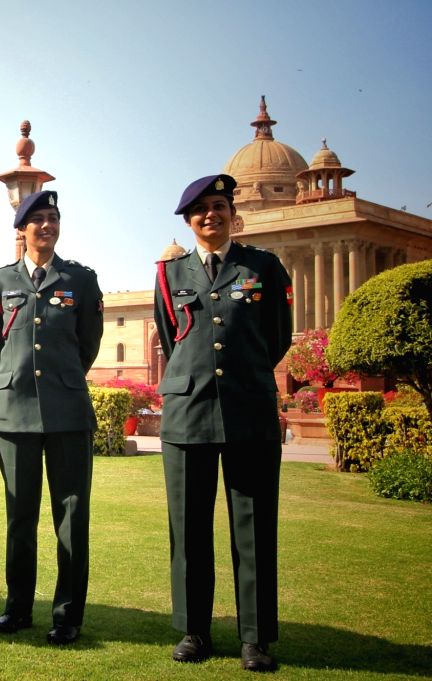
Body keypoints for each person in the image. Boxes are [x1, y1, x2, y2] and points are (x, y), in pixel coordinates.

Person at [154, 174, 292, 672]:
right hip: (189, 413)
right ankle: (194, 631)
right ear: (188, 222)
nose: (210, 215)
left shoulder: (263, 267)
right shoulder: (170, 274)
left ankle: (254, 637)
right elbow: (175, 342)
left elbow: (277, 336)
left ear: (232, 214)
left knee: (253, 529)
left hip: (248, 409)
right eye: (200, 211)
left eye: (218, 206)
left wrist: (244, 376)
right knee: (189, 528)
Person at [0, 190, 103, 645]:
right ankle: (17, 609)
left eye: (53, 218)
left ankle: (68, 614)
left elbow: (87, 344)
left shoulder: (81, 280)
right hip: (15, 415)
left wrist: (62, 381)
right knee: (20, 517)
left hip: (68, 411)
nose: (46, 226)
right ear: (22, 230)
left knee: (71, 516)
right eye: (38, 220)